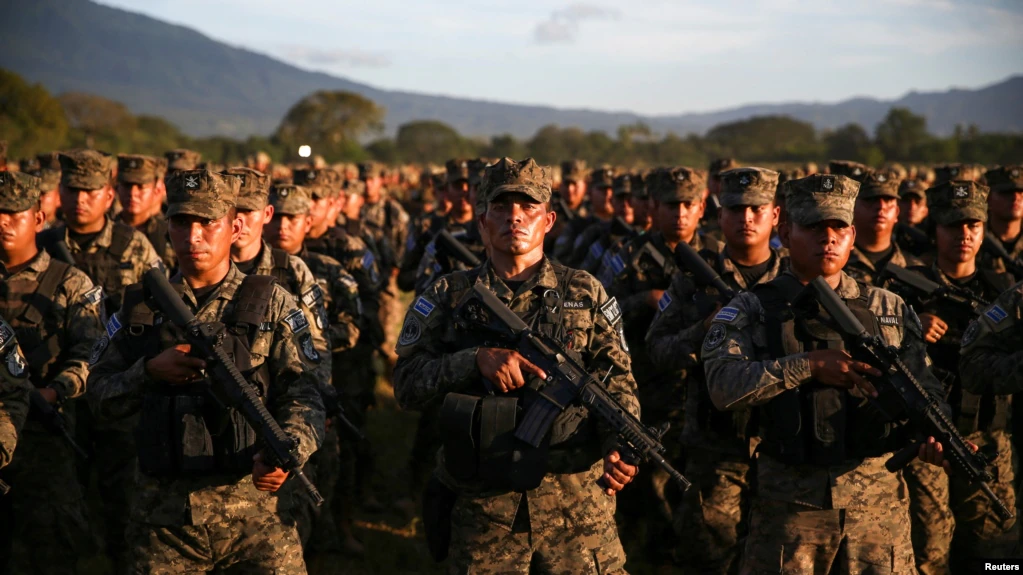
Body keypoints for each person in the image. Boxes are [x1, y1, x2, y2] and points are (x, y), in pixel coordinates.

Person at [393, 157, 639, 573]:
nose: (515, 218)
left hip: (577, 506)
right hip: (483, 506)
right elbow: (406, 385)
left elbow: (619, 381)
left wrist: (621, 445)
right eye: (502, 208)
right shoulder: (448, 293)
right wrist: (473, 360)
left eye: (528, 209)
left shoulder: (586, 291)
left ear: (549, 221)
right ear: (482, 221)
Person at [703, 173, 952, 574]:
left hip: (877, 508)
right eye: (815, 227)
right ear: (785, 231)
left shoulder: (888, 308)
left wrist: (936, 434)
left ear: (853, 234)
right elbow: (722, 386)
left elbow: (926, 386)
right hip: (790, 509)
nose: (828, 238)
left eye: (838, 227)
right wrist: (808, 366)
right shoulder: (750, 308)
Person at [87, 168, 324, 573]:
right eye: (182, 221)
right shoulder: (135, 308)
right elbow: (96, 396)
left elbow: (306, 393)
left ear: (234, 227)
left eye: (207, 222)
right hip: (164, 521)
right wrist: (147, 373)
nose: (193, 235)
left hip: (256, 517)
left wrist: (288, 452)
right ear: (168, 227)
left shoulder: (273, 303)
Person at [647, 167, 787, 574]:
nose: (746, 218)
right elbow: (657, 351)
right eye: (735, 209)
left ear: (775, 215)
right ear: (719, 215)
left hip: (783, 448)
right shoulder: (692, 279)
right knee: (708, 556)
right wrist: (703, 329)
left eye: (756, 209)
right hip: (714, 448)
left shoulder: (797, 278)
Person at [900, 180, 1017, 574]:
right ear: (935, 229)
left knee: (994, 554)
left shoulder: (1003, 290)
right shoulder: (902, 288)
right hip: (925, 440)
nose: (964, 236)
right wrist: (911, 324)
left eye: (974, 226)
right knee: (928, 554)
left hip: (987, 437)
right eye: (953, 226)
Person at [0, 171, 103, 575]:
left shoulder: (70, 283)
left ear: (38, 219)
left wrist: (55, 392)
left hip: (45, 436)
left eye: (13, 214)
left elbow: (93, 353)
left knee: (52, 549)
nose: (3, 222)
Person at [263, 182, 365, 553]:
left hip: (315, 386)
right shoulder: (242, 271)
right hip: (266, 391)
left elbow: (349, 328)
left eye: (293, 218)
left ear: (308, 222)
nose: (283, 227)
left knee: (328, 472)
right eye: (278, 216)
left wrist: (288, 342)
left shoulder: (327, 271)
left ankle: (336, 532)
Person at [843, 169, 921, 286]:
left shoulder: (914, 269)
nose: (881, 206)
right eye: (870, 199)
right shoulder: (836, 266)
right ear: (852, 208)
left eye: (888, 199)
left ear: (896, 212)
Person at [116, 154, 176, 271]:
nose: (132, 193)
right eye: (126, 186)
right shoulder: (103, 230)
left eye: (141, 186)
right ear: (117, 188)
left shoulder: (169, 234)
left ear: (156, 190)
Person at [978, 165, 1023, 275]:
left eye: (1021, 192)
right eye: (1006, 192)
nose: (1015, 198)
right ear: (988, 198)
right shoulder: (973, 240)